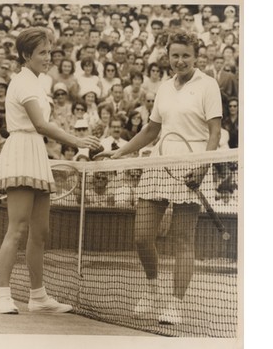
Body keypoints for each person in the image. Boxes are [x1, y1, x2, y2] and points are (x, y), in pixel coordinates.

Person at [95, 31, 222, 324]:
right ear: (167, 56)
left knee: (182, 239)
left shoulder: (208, 85)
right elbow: (151, 130)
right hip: (160, 162)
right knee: (142, 236)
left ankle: (175, 305)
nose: (180, 61)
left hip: (194, 164)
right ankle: (153, 291)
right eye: (174, 55)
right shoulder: (164, 87)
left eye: (186, 55)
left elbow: (215, 131)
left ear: (196, 56)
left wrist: (202, 167)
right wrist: (119, 153)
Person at [0, 27, 100, 315]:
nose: (48, 57)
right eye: (42, 52)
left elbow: (41, 128)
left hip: (36, 153)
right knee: (17, 229)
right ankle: (3, 295)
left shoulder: (38, 83)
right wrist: (77, 140)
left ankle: (38, 296)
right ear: (26, 55)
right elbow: (40, 124)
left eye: (49, 52)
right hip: (21, 151)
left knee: (40, 232)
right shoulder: (24, 82)